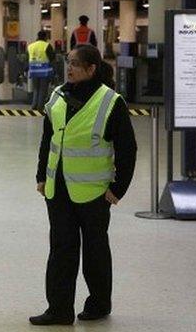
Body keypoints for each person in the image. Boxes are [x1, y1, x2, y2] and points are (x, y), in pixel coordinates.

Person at [30, 45, 137, 326]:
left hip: (94, 193)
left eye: (76, 64)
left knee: (95, 251)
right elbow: (47, 140)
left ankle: (99, 304)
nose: (70, 68)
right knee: (61, 250)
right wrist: (42, 175)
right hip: (59, 189)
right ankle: (59, 309)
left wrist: (118, 189)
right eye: (68, 62)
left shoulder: (110, 102)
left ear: (92, 69)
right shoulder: (57, 96)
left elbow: (128, 149)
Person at [27, 30, 55, 110]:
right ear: (45, 37)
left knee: (36, 89)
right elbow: (52, 58)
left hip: (34, 71)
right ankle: (40, 107)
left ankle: (34, 106)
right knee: (43, 90)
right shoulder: (47, 45)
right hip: (44, 72)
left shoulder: (31, 46)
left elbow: (27, 58)